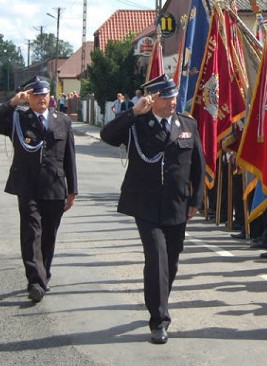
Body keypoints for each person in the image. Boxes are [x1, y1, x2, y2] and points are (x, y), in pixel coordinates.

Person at [100, 74, 204, 344]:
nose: (172, 102)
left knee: (171, 260)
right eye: (166, 97)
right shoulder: (137, 124)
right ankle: (159, 320)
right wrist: (133, 112)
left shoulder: (187, 124)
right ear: (153, 99)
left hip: (176, 203)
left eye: (174, 96)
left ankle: (160, 300)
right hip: (145, 203)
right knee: (156, 258)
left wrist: (196, 201)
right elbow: (107, 135)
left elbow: (198, 166)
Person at [0, 76, 78, 304]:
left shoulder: (62, 121)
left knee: (48, 235)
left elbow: (69, 158)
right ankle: (35, 281)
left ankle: (43, 274)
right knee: (31, 233)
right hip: (27, 186)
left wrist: (72, 190)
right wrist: (12, 103)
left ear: (50, 96)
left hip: (55, 187)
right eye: (36, 95)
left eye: (44, 94)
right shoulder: (18, 119)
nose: (41, 99)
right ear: (29, 97)